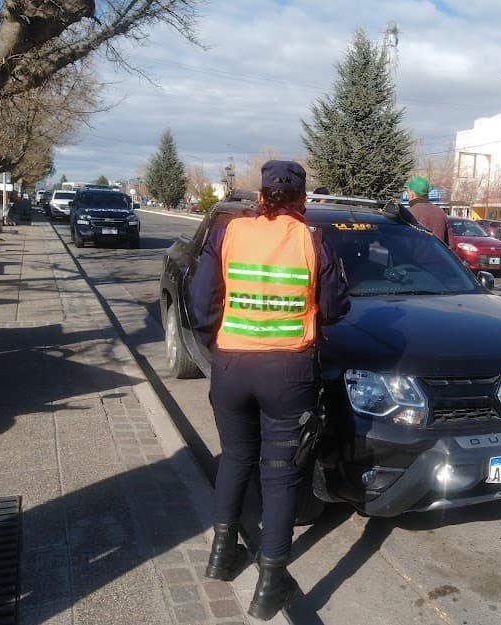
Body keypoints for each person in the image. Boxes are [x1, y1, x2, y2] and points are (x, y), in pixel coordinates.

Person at [189, 160, 350, 621]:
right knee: (279, 475)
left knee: (235, 457)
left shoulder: (228, 232)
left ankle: (222, 555)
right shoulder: (312, 238)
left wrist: (225, 342)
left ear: (261, 195)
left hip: (232, 365)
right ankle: (270, 581)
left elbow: (201, 308)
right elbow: (336, 308)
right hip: (288, 371)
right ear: (302, 199)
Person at [403, 175, 448, 243]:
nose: (408, 195)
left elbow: (404, 242)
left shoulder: (409, 213)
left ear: (412, 194)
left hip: (416, 253)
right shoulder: (441, 212)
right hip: (437, 253)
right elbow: (450, 246)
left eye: (408, 192)